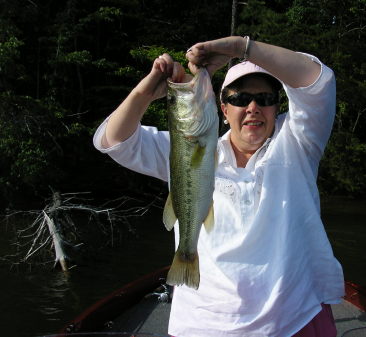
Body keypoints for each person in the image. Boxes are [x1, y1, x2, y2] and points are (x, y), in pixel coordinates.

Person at [93, 36, 344, 337]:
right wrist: (146, 91)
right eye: (240, 99)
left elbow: (317, 81)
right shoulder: (181, 147)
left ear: (277, 107)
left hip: (291, 320)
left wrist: (241, 47)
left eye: (265, 99)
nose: (252, 107)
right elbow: (112, 141)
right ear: (222, 108)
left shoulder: (298, 143)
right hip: (203, 324)